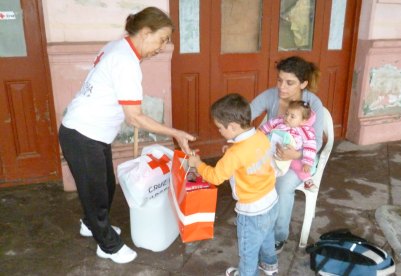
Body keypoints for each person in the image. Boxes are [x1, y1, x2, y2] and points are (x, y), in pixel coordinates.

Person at [58, 7, 195, 264]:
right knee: (96, 192)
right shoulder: (126, 61)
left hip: (91, 132)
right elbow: (135, 117)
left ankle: (90, 224)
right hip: (83, 133)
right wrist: (175, 132)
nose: (162, 47)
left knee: (106, 185)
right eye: (162, 39)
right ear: (145, 33)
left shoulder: (118, 47)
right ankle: (107, 245)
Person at [188, 93, 279, 276]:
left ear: (233, 126)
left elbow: (215, 177)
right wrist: (232, 149)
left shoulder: (234, 154)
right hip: (271, 200)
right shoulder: (261, 136)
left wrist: (197, 164)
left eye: (220, 128)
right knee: (267, 237)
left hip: (252, 211)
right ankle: (270, 267)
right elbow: (250, 154)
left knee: (248, 251)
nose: (219, 131)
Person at [250, 56, 323, 253]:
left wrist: (296, 154)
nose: (282, 87)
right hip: (274, 153)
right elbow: (246, 114)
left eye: (289, 83)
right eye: (279, 80)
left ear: (303, 84)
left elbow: (316, 141)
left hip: (301, 158)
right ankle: (257, 224)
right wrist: (235, 138)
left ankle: (279, 236)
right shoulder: (271, 95)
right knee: (249, 173)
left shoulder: (313, 103)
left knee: (282, 187)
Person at [260, 100, 318, 190]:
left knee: (299, 166)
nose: (287, 118)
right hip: (274, 149)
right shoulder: (279, 121)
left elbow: (310, 146)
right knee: (263, 161)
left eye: (292, 116)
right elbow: (267, 127)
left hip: (292, 154)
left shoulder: (305, 131)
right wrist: (259, 135)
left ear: (303, 121)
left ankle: (307, 180)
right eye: (287, 114)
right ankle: (263, 181)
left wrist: (307, 162)